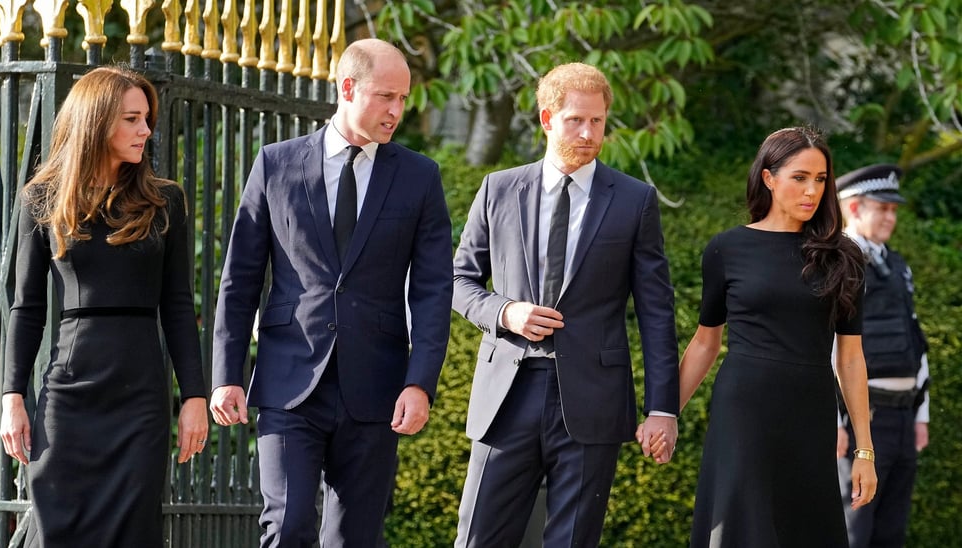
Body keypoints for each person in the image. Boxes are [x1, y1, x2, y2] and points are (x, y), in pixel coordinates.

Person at [209, 38, 453, 547]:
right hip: (289, 381)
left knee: (354, 539)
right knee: (288, 525)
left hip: (377, 388)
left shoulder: (419, 176)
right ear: (347, 88)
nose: (396, 111)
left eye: (403, 99)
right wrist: (226, 375)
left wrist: (420, 383)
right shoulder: (275, 165)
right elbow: (240, 279)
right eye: (386, 96)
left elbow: (433, 290)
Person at [451, 62, 680, 548]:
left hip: (592, 397)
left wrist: (663, 408)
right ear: (546, 119)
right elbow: (458, 280)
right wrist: (504, 312)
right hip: (506, 394)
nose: (588, 132)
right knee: (478, 538)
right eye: (576, 119)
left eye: (597, 121)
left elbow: (657, 312)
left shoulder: (635, 200)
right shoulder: (499, 188)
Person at [0, 66, 209, 547]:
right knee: (59, 527)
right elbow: (26, 307)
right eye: (133, 119)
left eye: (147, 118)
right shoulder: (41, 198)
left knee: (134, 530)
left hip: (140, 401)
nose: (146, 130)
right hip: (70, 396)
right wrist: (13, 396)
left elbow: (178, 305)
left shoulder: (164, 201)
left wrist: (194, 395)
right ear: (96, 121)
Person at [678, 126, 877, 547]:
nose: (812, 191)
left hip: (810, 412)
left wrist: (864, 450)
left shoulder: (844, 256)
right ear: (769, 178)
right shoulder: (726, 249)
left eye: (821, 180)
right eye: (800, 177)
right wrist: (664, 413)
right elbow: (704, 342)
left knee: (803, 529)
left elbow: (851, 358)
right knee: (739, 529)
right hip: (743, 410)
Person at [836, 163, 930, 548]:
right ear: (855, 209)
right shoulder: (839, 261)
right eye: (883, 208)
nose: (891, 217)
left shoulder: (896, 264)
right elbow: (825, 346)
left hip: (902, 417)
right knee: (853, 531)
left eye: (894, 210)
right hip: (862, 419)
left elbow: (915, 339)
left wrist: (920, 415)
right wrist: (834, 422)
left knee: (891, 532)